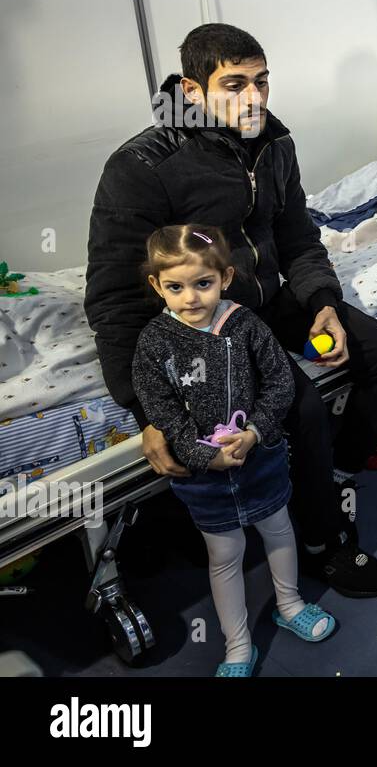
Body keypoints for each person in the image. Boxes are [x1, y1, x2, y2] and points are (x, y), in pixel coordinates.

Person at [85, 23, 377, 597]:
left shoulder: (275, 143)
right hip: (203, 323)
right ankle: (323, 540)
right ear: (192, 90)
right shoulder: (143, 166)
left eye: (261, 82)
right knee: (298, 408)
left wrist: (323, 303)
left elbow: (298, 237)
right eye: (234, 84)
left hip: (271, 298)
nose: (253, 98)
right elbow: (114, 298)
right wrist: (145, 414)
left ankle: (332, 471)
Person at [132, 225, 336, 676]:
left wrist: (256, 432)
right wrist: (201, 454)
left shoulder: (245, 324)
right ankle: (238, 645)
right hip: (204, 476)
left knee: (279, 530)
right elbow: (160, 407)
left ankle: (290, 603)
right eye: (176, 287)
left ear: (224, 278)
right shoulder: (154, 343)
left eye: (202, 284)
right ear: (156, 286)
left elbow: (280, 382)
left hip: (259, 459)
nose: (190, 299)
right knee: (224, 557)